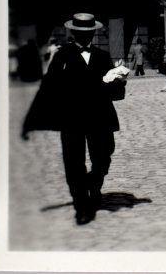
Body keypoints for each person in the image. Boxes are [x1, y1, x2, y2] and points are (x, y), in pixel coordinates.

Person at [21, 13, 128, 226]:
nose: (85, 36)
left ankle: (94, 182)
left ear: (93, 33)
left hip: (100, 116)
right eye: (81, 32)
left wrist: (119, 81)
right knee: (73, 162)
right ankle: (82, 208)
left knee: (103, 156)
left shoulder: (103, 56)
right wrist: (29, 122)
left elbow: (115, 92)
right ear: (74, 32)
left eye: (88, 32)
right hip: (72, 118)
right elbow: (47, 88)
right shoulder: (61, 56)